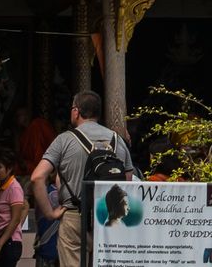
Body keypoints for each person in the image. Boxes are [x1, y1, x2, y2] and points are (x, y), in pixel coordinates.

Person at [31, 91, 135, 267]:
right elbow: (127, 181)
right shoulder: (118, 140)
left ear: (76, 111)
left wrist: (50, 213)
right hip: (108, 218)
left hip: (74, 216)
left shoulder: (64, 140)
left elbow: (36, 177)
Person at [0, 151, 29, 267]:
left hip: (8, 244)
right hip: (0, 241)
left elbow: (15, 219)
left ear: (9, 169)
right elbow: (25, 206)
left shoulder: (14, 188)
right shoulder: (3, 187)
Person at [14, 107, 57, 179]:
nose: (19, 118)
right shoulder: (22, 135)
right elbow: (20, 155)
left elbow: (53, 141)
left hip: (45, 162)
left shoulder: (38, 124)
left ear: (27, 115)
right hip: (32, 165)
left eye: (21, 115)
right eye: (17, 116)